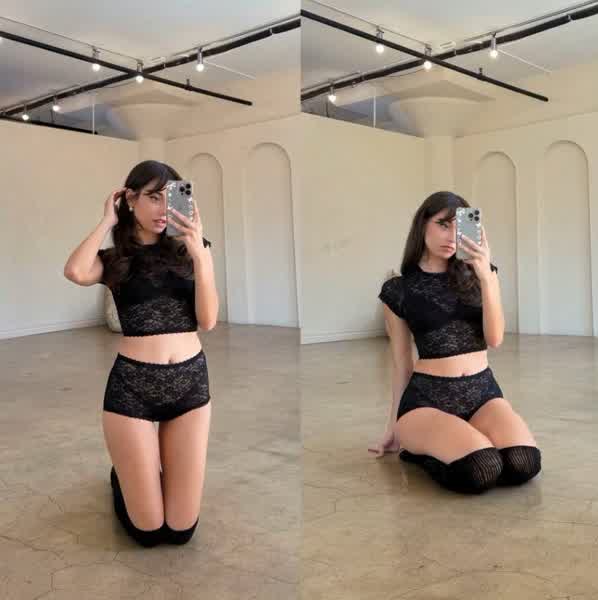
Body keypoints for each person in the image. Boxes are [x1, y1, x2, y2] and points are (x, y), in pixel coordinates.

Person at [64, 160, 218, 545]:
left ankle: (150, 476)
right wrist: (107, 221)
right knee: (147, 532)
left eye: (171, 197)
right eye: (153, 197)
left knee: (181, 531)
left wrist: (199, 254)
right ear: (130, 199)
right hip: (132, 389)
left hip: (190, 386)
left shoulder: (194, 251)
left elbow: (208, 320)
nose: (164, 208)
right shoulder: (115, 260)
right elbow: (76, 271)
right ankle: (123, 477)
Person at [370, 191, 541, 494]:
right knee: (483, 468)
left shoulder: (483, 276)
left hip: (483, 394)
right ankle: (421, 453)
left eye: (459, 227)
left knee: (524, 463)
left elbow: (495, 339)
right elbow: (401, 364)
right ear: (422, 225)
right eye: (443, 224)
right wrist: (391, 427)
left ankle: (462, 438)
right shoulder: (399, 289)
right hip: (427, 400)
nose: (452, 236)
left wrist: (485, 276)